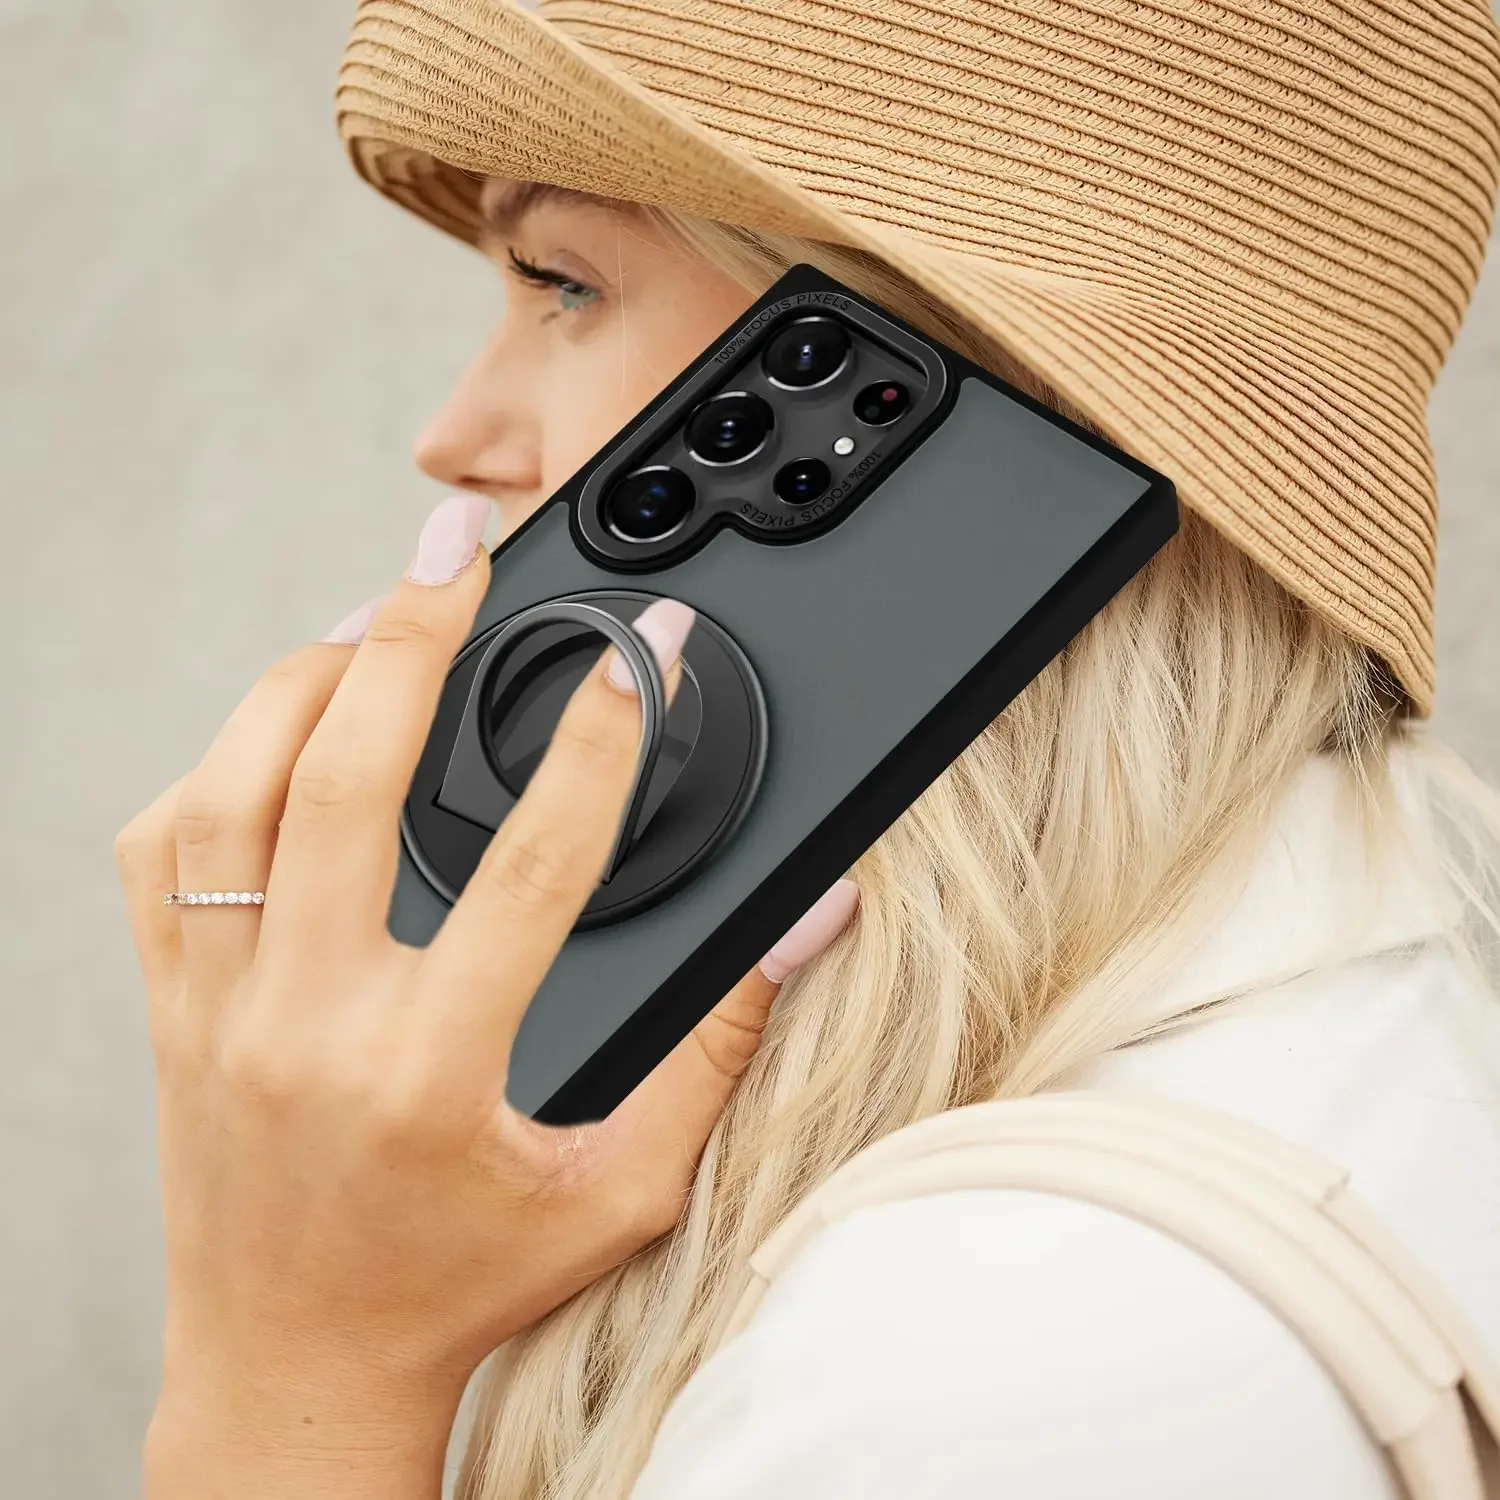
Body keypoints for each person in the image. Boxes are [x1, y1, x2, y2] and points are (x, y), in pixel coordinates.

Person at [113, 1, 1500, 1497]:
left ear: (934, 395)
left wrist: (296, 1368)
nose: (455, 435)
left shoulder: (1000, 1349)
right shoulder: (1332, 1031)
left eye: (564, 281)